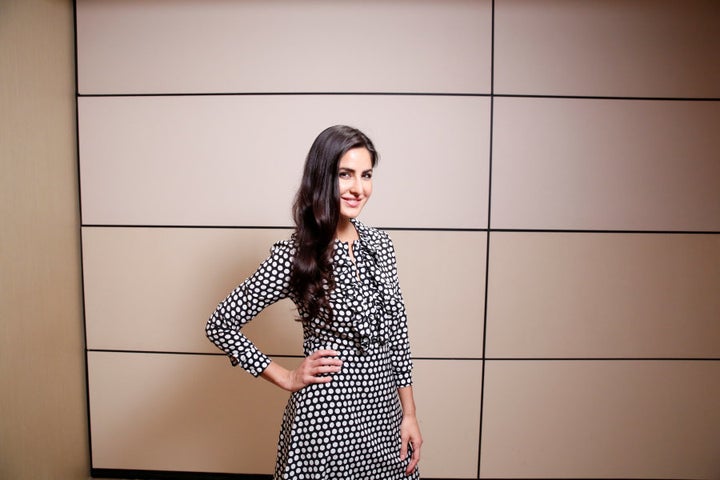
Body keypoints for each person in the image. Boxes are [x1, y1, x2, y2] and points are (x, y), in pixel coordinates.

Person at [206, 125, 422, 479]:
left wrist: (409, 414)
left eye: (366, 175)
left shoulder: (381, 245)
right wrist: (287, 376)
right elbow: (220, 324)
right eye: (345, 175)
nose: (358, 188)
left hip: (385, 420)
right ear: (322, 178)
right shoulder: (297, 255)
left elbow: (398, 335)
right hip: (325, 425)